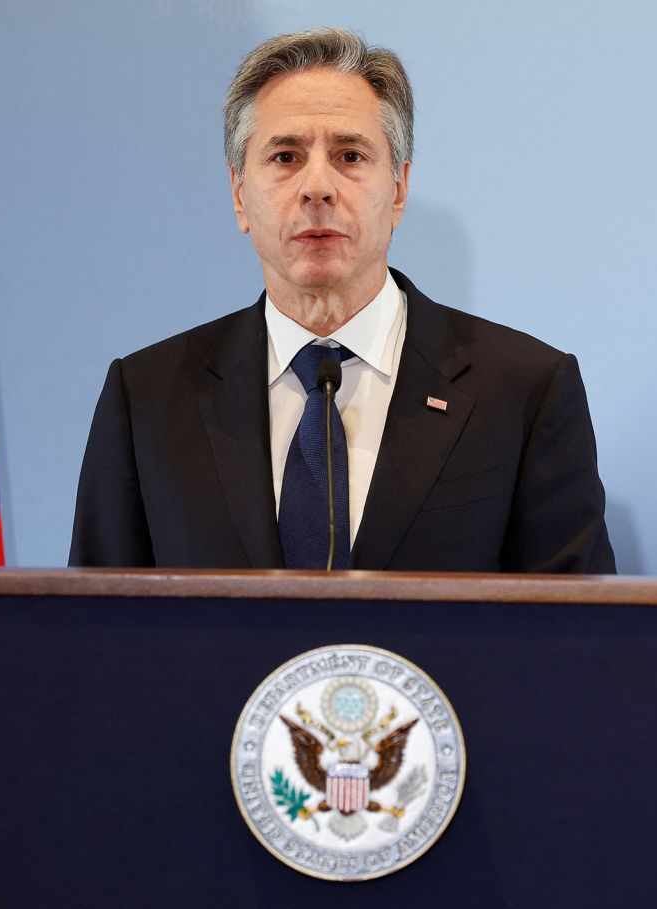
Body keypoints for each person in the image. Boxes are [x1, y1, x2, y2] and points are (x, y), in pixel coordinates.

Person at [69, 28, 615, 574]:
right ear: (240, 195)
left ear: (398, 190)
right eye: (285, 157)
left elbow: (585, 638)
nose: (317, 188)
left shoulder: (526, 390)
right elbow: (93, 635)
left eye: (350, 155)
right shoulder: (145, 399)